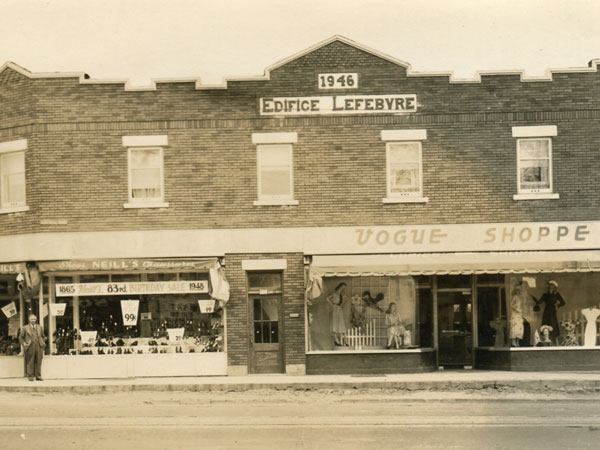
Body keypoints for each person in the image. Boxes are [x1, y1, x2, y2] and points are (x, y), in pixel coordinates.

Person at [531, 280, 565, 345]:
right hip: (546, 312)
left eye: (551, 287)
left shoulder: (556, 295)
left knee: (553, 327)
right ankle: (547, 342)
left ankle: (555, 344)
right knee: (546, 327)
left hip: (552, 312)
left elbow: (563, 303)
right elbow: (539, 302)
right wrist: (533, 298)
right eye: (549, 287)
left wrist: (557, 306)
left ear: (554, 288)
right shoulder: (545, 295)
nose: (550, 289)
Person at [19, 314, 46, 381]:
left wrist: (42, 343)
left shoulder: (40, 327)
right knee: (30, 361)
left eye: (34, 319)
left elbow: (43, 336)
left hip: (38, 346)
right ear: (29, 320)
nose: (33, 320)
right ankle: (30, 376)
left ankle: (38, 376)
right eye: (32, 319)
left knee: (39, 361)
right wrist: (24, 344)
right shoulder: (25, 328)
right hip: (30, 346)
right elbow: (20, 338)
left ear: (36, 320)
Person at [509, 282, 525, 347]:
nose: (520, 292)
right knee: (515, 327)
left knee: (519, 327)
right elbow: (511, 305)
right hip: (515, 314)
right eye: (519, 290)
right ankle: (513, 342)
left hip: (519, 315)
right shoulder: (515, 297)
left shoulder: (519, 298)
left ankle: (517, 342)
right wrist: (516, 309)